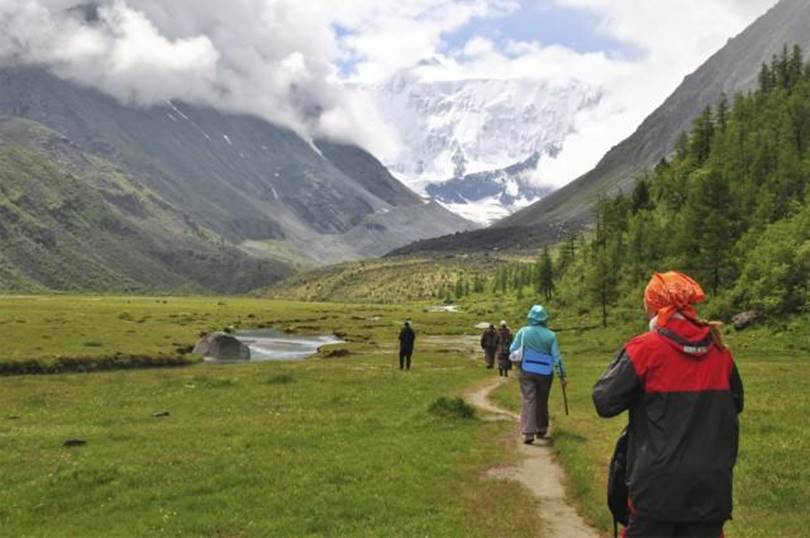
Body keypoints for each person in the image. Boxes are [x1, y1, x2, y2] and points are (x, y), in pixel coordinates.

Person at [592, 271, 744, 538]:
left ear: (652, 305)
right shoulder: (721, 352)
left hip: (655, 489)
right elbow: (736, 403)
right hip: (710, 487)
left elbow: (604, 401)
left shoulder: (645, 349)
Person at [510, 305, 567, 444]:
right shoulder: (551, 335)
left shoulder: (523, 331)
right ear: (545, 318)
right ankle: (541, 428)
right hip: (545, 372)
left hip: (527, 369)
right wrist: (562, 375)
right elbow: (557, 357)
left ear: (530, 316)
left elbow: (512, 349)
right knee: (542, 400)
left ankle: (528, 432)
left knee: (528, 399)